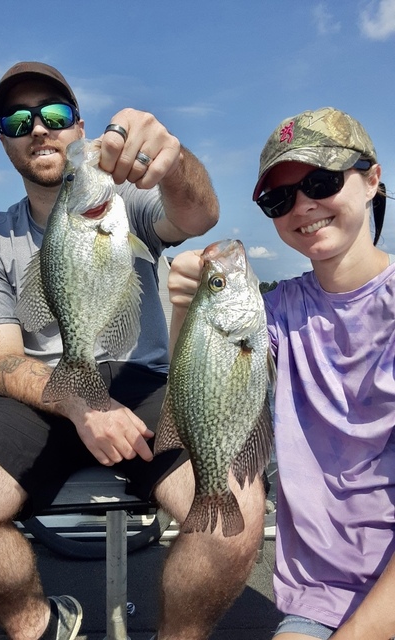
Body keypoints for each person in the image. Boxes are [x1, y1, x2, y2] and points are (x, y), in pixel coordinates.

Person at [0, 61, 265, 640]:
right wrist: (81, 405)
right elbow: (1, 360)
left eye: (53, 114)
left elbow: (200, 212)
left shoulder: (128, 203)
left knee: (235, 512)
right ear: (3, 138)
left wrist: (173, 163)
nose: (38, 129)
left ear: (79, 128)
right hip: (39, 392)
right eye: (17, 119)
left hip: (142, 381)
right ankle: (43, 626)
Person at [168, 106, 395, 640]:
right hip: (317, 597)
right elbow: (202, 382)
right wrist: (186, 309)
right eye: (280, 197)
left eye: (321, 180)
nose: (303, 205)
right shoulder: (278, 312)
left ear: (372, 181)